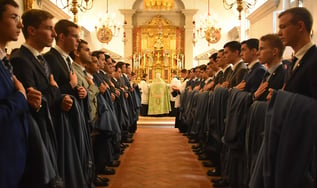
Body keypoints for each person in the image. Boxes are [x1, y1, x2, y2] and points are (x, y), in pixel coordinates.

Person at [0, 1, 29, 187]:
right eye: (13, 17)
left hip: (13, 158)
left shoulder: (4, 60)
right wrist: (20, 97)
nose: (20, 25)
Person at [278, 7, 317, 99]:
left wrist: (283, 98)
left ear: (300, 26)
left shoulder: (314, 60)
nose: (279, 33)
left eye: (283, 27)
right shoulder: (295, 60)